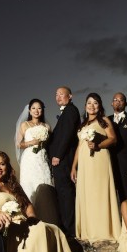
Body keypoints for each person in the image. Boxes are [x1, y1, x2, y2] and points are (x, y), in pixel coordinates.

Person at [71, 93, 121, 242]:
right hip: (84, 163)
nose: (92, 106)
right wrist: (74, 166)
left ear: (100, 106)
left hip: (99, 159)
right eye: (89, 103)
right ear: (85, 106)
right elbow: (79, 146)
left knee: (99, 192)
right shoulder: (82, 125)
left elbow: (113, 139)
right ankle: (89, 230)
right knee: (87, 193)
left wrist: (98, 145)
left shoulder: (104, 120)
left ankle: (103, 230)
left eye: (95, 103)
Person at [15, 99, 57, 223]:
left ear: (42, 110)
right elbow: (19, 144)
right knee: (29, 185)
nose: (36, 111)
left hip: (42, 158)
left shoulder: (47, 126)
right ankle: (30, 217)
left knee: (44, 183)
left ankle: (46, 216)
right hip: (29, 159)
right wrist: (31, 142)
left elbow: (51, 145)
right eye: (33, 108)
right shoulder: (25, 125)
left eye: (39, 108)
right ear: (29, 110)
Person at [48, 86, 80, 237]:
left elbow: (67, 135)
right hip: (61, 160)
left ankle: (70, 229)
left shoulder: (71, 111)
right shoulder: (66, 112)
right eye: (56, 94)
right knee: (62, 193)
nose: (58, 97)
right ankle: (66, 226)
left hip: (63, 160)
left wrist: (58, 155)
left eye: (61, 94)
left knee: (66, 194)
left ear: (70, 96)